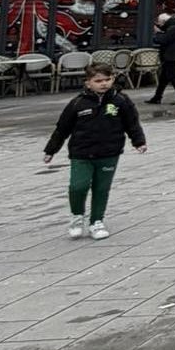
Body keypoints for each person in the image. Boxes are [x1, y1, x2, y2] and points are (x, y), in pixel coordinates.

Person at [42, 64, 147, 240]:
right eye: (98, 81)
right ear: (88, 83)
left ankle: (96, 221)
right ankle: (77, 216)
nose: (103, 84)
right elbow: (62, 128)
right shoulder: (77, 103)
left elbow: (132, 123)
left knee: (101, 188)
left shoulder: (121, 100)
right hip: (81, 153)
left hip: (109, 152)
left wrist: (139, 141)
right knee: (78, 186)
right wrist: (51, 150)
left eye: (107, 79)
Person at [144, 13, 175, 105]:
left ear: (164, 21)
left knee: (172, 76)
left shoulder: (173, 29)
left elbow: (162, 40)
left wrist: (157, 33)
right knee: (163, 78)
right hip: (172, 55)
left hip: (171, 56)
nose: (160, 25)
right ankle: (157, 97)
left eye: (160, 23)